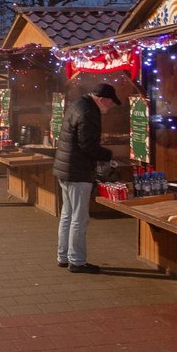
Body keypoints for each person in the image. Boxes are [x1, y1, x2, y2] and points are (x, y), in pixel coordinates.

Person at [53, 83, 119, 274]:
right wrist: (108, 155)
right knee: (79, 218)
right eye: (110, 102)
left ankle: (63, 256)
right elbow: (87, 145)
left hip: (66, 169)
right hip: (77, 171)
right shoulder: (88, 111)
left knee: (67, 214)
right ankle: (77, 261)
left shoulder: (78, 104)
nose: (111, 106)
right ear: (101, 99)